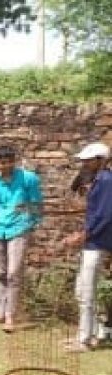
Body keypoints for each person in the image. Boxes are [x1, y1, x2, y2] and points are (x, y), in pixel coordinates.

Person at [0, 146, 43, 333]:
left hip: (20, 228)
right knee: (2, 272)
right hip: (0, 229)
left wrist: (32, 223)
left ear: (15, 161)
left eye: (10, 161)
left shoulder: (28, 178)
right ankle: (2, 311)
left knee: (14, 273)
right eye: (2, 163)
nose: (7, 165)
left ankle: (12, 315)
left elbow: (36, 204)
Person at [65, 143, 112, 351]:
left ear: (101, 160)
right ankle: (94, 332)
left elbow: (104, 215)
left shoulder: (106, 181)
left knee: (86, 291)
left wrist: (84, 235)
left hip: (98, 242)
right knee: (81, 290)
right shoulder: (100, 180)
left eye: (88, 160)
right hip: (93, 241)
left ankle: (85, 340)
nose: (84, 163)